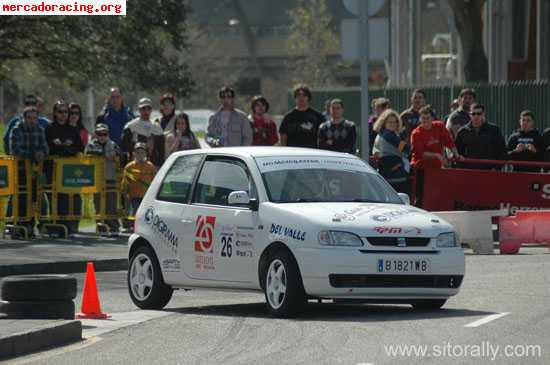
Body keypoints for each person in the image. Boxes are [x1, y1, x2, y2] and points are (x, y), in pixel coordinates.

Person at [44, 100, 84, 235]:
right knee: (55, 198)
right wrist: (64, 148)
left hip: (69, 172)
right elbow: (49, 148)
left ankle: (69, 227)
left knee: (70, 198)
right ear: (55, 113)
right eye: (60, 111)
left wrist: (65, 148)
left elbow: (79, 147)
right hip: (52, 170)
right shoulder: (49, 128)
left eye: (66, 112)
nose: (63, 115)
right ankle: (55, 227)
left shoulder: (72, 129)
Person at [8, 106, 49, 238]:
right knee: (22, 199)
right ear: (24, 118)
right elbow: (15, 150)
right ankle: (21, 226)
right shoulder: (16, 130)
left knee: (39, 198)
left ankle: (37, 225)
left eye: (34, 118)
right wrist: (33, 155)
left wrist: (42, 153)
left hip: (36, 171)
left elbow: (45, 149)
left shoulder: (40, 130)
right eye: (29, 118)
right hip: (20, 171)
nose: (32, 121)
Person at [411, 105, 463, 206]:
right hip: (421, 168)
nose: (425, 121)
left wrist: (457, 154)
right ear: (420, 119)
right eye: (423, 118)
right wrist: (437, 156)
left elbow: (449, 142)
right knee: (421, 196)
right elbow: (420, 153)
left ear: (432, 118)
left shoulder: (439, 126)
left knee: (437, 194)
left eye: (428, 118)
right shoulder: (416, 133)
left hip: (436, 168)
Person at [85, 124, 121, 235]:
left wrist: (107, 155)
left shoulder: (113, 144)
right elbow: (87, 155)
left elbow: (119, 154)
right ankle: (101, 227)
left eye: (104, 133)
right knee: (98, 203)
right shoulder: (91, 145)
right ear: (96, 134)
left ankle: (114, 227)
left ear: (108, 134)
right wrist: (104, 155)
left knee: (111, 203)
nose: (102, 136)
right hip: (97, 178)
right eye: (99, 134)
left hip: (110, 178)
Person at [454, 103, 507, 169]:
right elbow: (457, 153)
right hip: (469, 173)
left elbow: (502, 152)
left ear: (483, 114)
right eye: (473, 114)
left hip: (489, 172)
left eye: (479, 114)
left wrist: (496, 168)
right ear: (469, 114)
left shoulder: (494, 130)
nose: (476, 116)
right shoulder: (462, 132)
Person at [372, 109, 410, 194]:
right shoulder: (389, 135)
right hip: (396, 176)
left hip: (387, 174)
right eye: (390, 122)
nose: (393, 124)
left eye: (395, 122)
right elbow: (406, 148)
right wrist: (405, 142)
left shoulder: (381, 134)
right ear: (384, 123)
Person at [121, 97, 165, 168]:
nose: (146, 111)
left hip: (153, 166)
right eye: (143, 108)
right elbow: (124, 147)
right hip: (135, 165)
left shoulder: (157, 127)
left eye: (148, 108)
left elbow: (161, 151)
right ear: (139, 110)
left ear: (151, 110)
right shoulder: (131, 126)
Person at [279, 84, 325, 148]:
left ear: (308, 98)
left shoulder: (318, 116)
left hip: (312, 153)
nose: (301, 98)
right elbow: (283, 137)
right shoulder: (288, 117)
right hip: (293, 153)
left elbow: (323, 137)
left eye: (304, 95)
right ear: (295, 98)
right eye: (298, 95)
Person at [122, 142, 157, 224]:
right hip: (133, 195)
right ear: (134, 153)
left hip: (146, 196)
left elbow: (155, 181)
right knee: (135, 212)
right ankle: (133, 226)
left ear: (145, 154)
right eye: (137, 152)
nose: (140, 155)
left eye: (142, 152)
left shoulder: (150, 166)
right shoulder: (129, 167)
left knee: (146, 213)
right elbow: (125, 181)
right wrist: (124, 192)